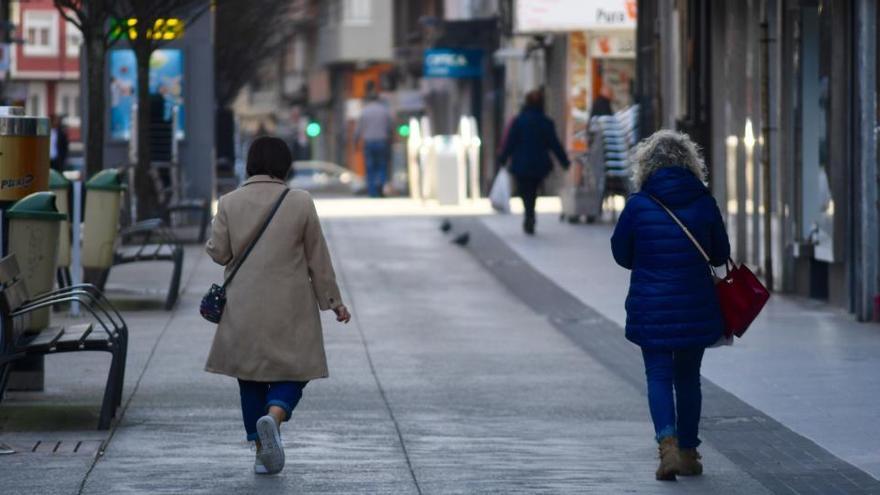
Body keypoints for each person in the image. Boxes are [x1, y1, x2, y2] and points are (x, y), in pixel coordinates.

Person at [205, 136, 352, 475]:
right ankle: (275, 416)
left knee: (250, 376)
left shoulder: (229, 202)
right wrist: (333, 302)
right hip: (291, 304)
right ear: (285, 166)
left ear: (250, 164)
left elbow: (220, 253)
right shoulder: (300, 201)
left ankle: (261, 450)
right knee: (296, 369)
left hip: (244, 305)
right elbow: (318, 257)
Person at [610, 130, 730, 481]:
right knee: (688, 377)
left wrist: (648, 260)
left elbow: (620, 254)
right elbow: (720, 254)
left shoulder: (638, 205)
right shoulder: (704, 201)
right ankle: (690, 452)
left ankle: (668, 448)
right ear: (691, 163)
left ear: (646, 166)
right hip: (695, 303)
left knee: (658, 375)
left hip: (651, 305)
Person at [498, 89, 570, 235]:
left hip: (521, 164)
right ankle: (530, 215)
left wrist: (503, 158)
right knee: (534, 190)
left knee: (526, 191)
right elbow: (554, 143)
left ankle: (529, 214)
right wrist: (564, 161)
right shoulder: (545, 122)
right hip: (539, 165)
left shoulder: (519, 121)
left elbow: (510, 142)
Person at [355, 81, 393, 198]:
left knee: (370, 167)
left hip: (369, 142)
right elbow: (390, 127)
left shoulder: (364, 111)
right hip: (382, 142)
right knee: (382, 166)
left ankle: (372, 192)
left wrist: (355, 142)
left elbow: (359, 129)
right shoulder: (384, 111)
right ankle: (381, 187)